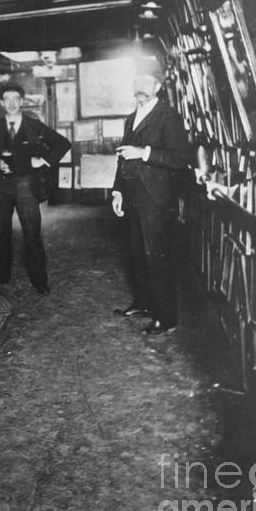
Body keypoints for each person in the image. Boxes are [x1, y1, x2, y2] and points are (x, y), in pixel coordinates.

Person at [111, 69, 191, 335]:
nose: (140, 87)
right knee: (136, 252)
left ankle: (166, 317)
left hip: (155, 197)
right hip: (132, 194)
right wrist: (117, 191)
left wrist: (144, 152)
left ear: (157, 86)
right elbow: (123, 156)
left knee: (156, 256)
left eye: (146, 82)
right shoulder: (131, 118)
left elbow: (181, 159)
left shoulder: (168, 116)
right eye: (136, 82)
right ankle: (144, 303)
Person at [0, 82, 71, 295]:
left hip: (26, 186)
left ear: (22, 101)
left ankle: (40, 281)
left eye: (15, 99)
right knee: (1, 233)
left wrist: (43, 161)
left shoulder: (33, 125)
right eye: (7, 100)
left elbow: (62, 143)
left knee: (32, 234)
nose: (11, 103)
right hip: (1, 186)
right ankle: (0, 276)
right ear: (2, 103)